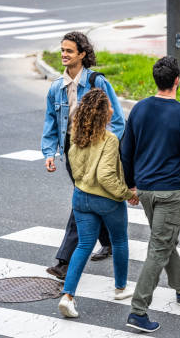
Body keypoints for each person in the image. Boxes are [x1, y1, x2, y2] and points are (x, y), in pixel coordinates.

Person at [121, 56, 180, 333]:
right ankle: (138, 310)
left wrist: (131, 186)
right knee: (159, 247)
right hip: (170, 191)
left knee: (164, 239)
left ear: (155, 79)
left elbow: (126, 151)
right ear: (176, 81)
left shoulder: (139, 109)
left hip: (145, 190)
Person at [41, 31, 125, 280]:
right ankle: (109, 241)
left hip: (96, 149)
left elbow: (117, 120)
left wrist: (104, 147)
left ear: (82, 54)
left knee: (83, 196)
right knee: (89, 195)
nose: (64, 55)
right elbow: (51, 122)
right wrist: (50, 152)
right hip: (72, 152)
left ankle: (64, 261)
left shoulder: (97, 82)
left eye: (69, 51)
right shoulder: (57, 88)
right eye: (62, 50)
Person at [57, 89, 137, 318]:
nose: (113, 108)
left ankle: (68, 296)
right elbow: (105, 176)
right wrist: (125, 194)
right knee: (120, 241)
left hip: (80, 198)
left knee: (83, 246)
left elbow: (74, 167)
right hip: (106, 200)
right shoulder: (109, 139)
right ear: (103, 113)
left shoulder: (77, 136)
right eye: (110, 106)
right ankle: (120, 288)